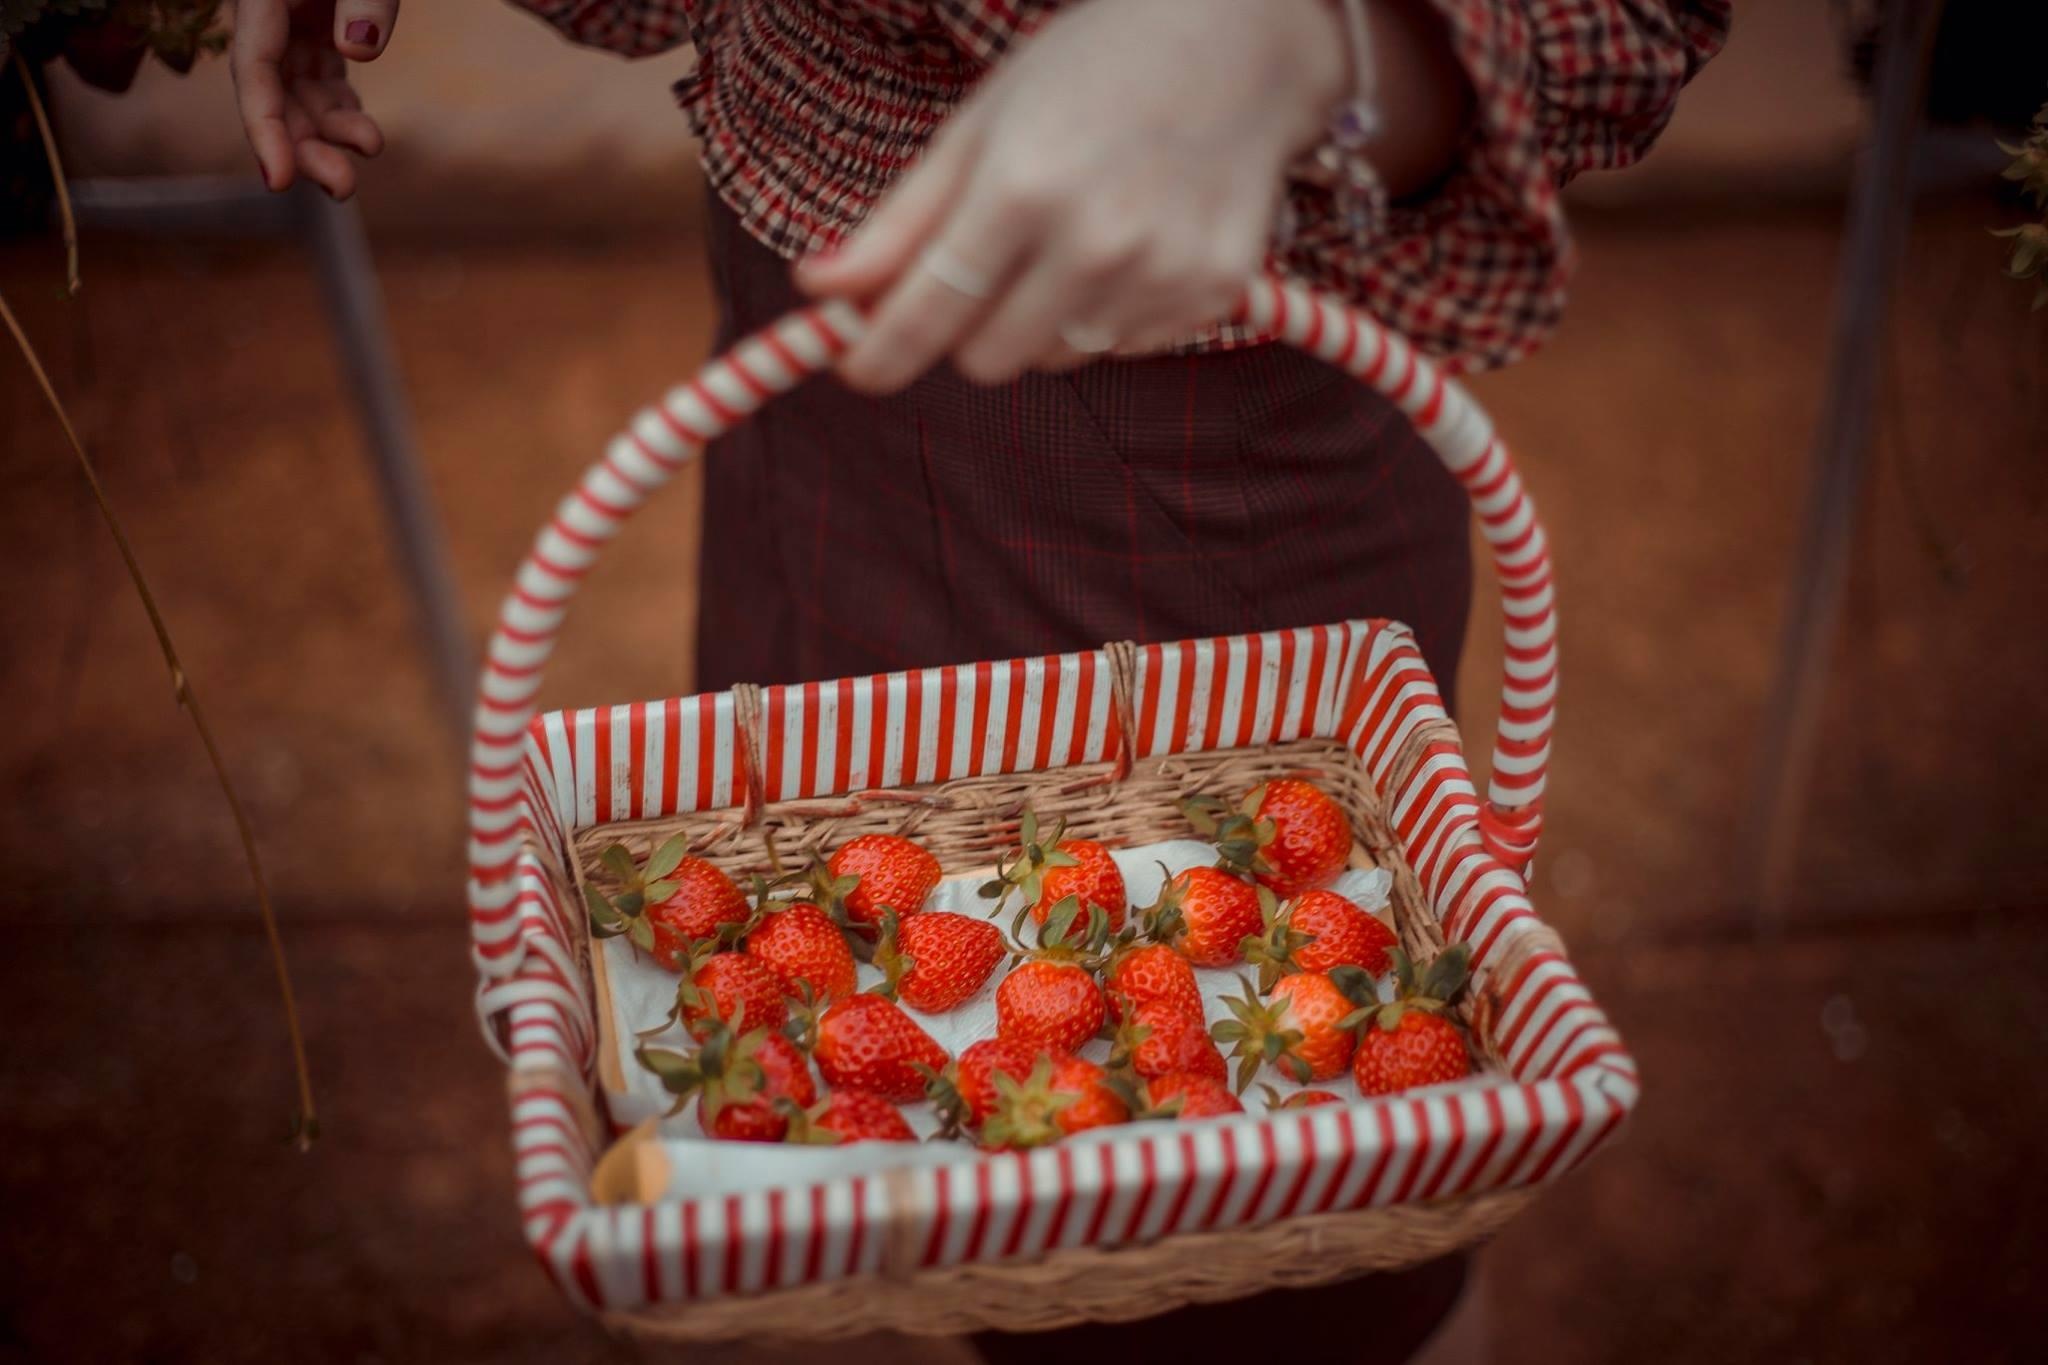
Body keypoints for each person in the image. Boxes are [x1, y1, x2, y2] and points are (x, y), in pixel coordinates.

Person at [230, 1, 1727, 1357]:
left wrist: (1296, 44)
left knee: (1269, 1306)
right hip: (817, 359)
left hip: (1232, 419)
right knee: (814, 1218)